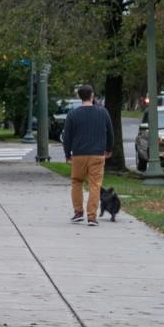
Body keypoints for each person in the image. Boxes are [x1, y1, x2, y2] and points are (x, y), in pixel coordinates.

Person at [62, 83, 114, 225]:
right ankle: (92, 216)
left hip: (78, 154)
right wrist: (108, 149)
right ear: (92, 96)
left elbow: (67, 137)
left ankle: (78, 212)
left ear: (79, 97)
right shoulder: (103, 112)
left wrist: (67, 154)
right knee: (95, 185)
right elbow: (110, 133)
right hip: (97, 154)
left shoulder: (72, 114)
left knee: (77, 182)